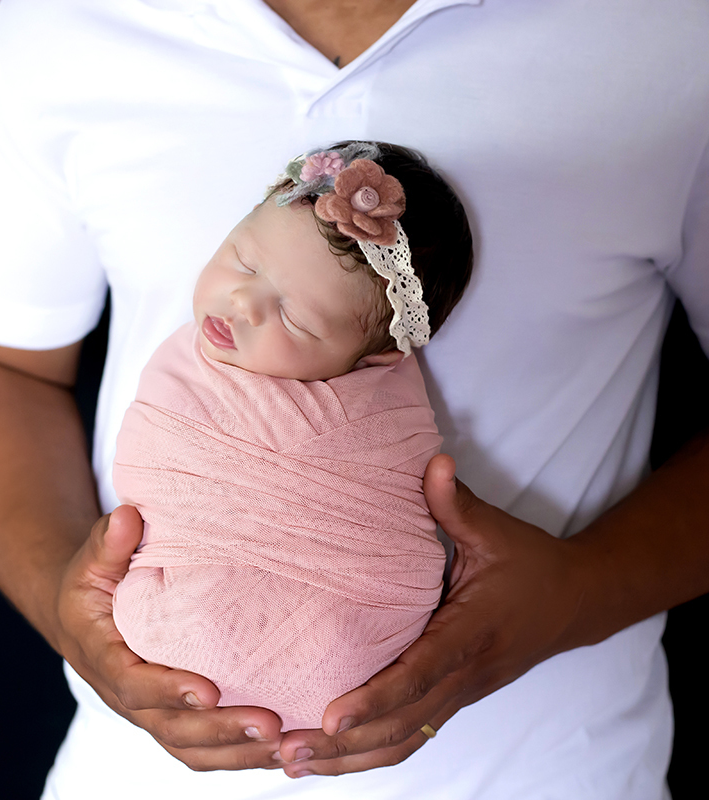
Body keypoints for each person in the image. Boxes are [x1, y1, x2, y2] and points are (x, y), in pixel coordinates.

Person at [0, 1, 709, 798]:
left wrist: (584, 592)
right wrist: (63, 602)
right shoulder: (57, 29)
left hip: (545, 775)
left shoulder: (702, 29)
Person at [111, 141, 473, 731]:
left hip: (357, 645)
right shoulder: (184, 363)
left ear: (377, 361)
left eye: (295, 319)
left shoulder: (385, 416)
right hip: (169, 629)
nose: (242, 303)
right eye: (244, 261)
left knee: (333, 637)